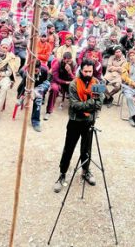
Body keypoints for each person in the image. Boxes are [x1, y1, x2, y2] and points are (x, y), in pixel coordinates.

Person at [52, 59, 103, 193]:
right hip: (75, 121)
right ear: (80, 70)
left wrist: (90, 105)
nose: (87, 73)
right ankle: (62, 174)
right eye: (85, 71)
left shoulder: (97, 83)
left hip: (89, 122)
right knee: (68, 149)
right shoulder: (74, 84)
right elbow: (75, 106)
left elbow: (99, 103)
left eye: (90, 71)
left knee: (87, 149)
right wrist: (92, 102)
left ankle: (85, 171)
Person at [45, 52, 77, 120]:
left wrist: (70, 72)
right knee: (54, 88)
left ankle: (74, 110)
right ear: (63, 59)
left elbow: (74, 78)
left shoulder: (74, 64)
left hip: (69, 82)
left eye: (70, 60)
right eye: (67, 61)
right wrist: (65, 82)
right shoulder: (58, 63)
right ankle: (49, 111)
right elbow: (55, 78)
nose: (69, 62)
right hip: (58, 82)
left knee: (76, 88)